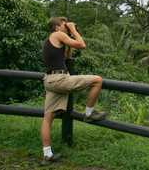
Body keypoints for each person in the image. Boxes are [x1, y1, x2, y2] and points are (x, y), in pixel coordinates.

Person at [40, 17, 106, 165]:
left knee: (47, 118)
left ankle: (47, 154)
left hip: (50, 80)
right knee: (97, 80)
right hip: (60, 79)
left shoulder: (50, 40)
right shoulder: (57, 34)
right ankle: (89, 113)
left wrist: (70, 33)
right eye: (64, 25)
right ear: (57, 27)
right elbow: (82, 45)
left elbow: (67, 57)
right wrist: (74, 30)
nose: (67, 26)